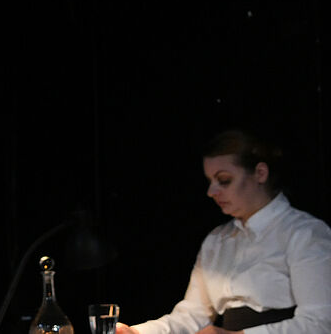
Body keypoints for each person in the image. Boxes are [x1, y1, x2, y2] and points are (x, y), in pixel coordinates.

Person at [118, 130, 331, 334]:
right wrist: (137, 331)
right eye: (210, 181)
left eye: (224, 180)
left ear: (260, 173)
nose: (211, 192)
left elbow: (320, 323)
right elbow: (192, 316)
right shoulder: (217, 240)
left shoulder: (305, 234)